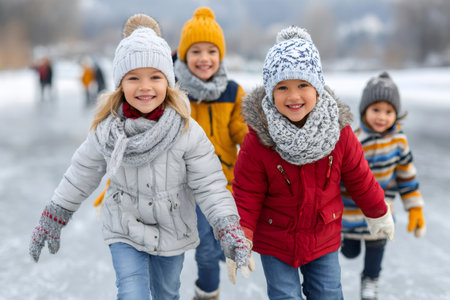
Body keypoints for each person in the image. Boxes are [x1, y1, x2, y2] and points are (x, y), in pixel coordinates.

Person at [29, 14, 252, 300]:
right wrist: (55, 213)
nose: (145, 87)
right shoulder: (108, 129)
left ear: (168, 82)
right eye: (133, 78)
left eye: (155, 77)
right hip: (125, 228)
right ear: (120, 83)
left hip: (172, 230)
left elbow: (209, 183)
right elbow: (80, 173)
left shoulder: (185, 129)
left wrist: (227, 225)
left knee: (167, 293)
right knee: (131, 291)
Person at [232, 26, 396, 300]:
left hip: (323, 236)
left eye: (303, 86)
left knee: (329, 294)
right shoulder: (258, 140)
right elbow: (247, 192)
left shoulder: (339, 133)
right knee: (285, 296)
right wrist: (242, 236)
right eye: (282, 87)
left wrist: (378, 211)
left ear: (317, 89)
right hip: (276, 239)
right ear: (271, 93)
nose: (293, 96)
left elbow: (359, 177)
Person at [173, 7, 249, 299]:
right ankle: (208, 292)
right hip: (188, 185)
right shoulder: (175, 92)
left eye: (211, 51)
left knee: (216, 243)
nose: (204, 58)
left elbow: (241, 131)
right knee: (206, 246)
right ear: (183, 55)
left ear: (220, 56)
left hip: (222, 182)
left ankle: (211, 273)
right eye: (195, 51)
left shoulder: (232, 92)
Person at [340, 71, 426, 300]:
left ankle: (370, 280)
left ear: (396, 114)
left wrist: (414, 207)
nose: (382, 117)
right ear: (364, 111)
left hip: (382, 209)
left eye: (389, 111)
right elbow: (340, 173)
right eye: (376, 110)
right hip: (351, 209)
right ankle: (348, 244)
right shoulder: (355, 139)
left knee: (377, 246)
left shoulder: (399, 140)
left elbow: (406, 175)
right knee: (349, 253)